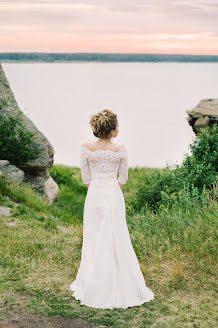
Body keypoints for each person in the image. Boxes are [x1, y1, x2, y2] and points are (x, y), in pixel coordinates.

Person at [70, 109, 154, 309]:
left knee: (94, 238)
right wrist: (112, 190)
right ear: (113, 130)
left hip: (95, 196)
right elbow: (123, 178)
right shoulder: (121, 149)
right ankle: (120, 282)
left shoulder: (86, 148)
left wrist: (98, 189)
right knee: (117, 238)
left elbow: (86, 179)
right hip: (114, 196)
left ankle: (92, 282)